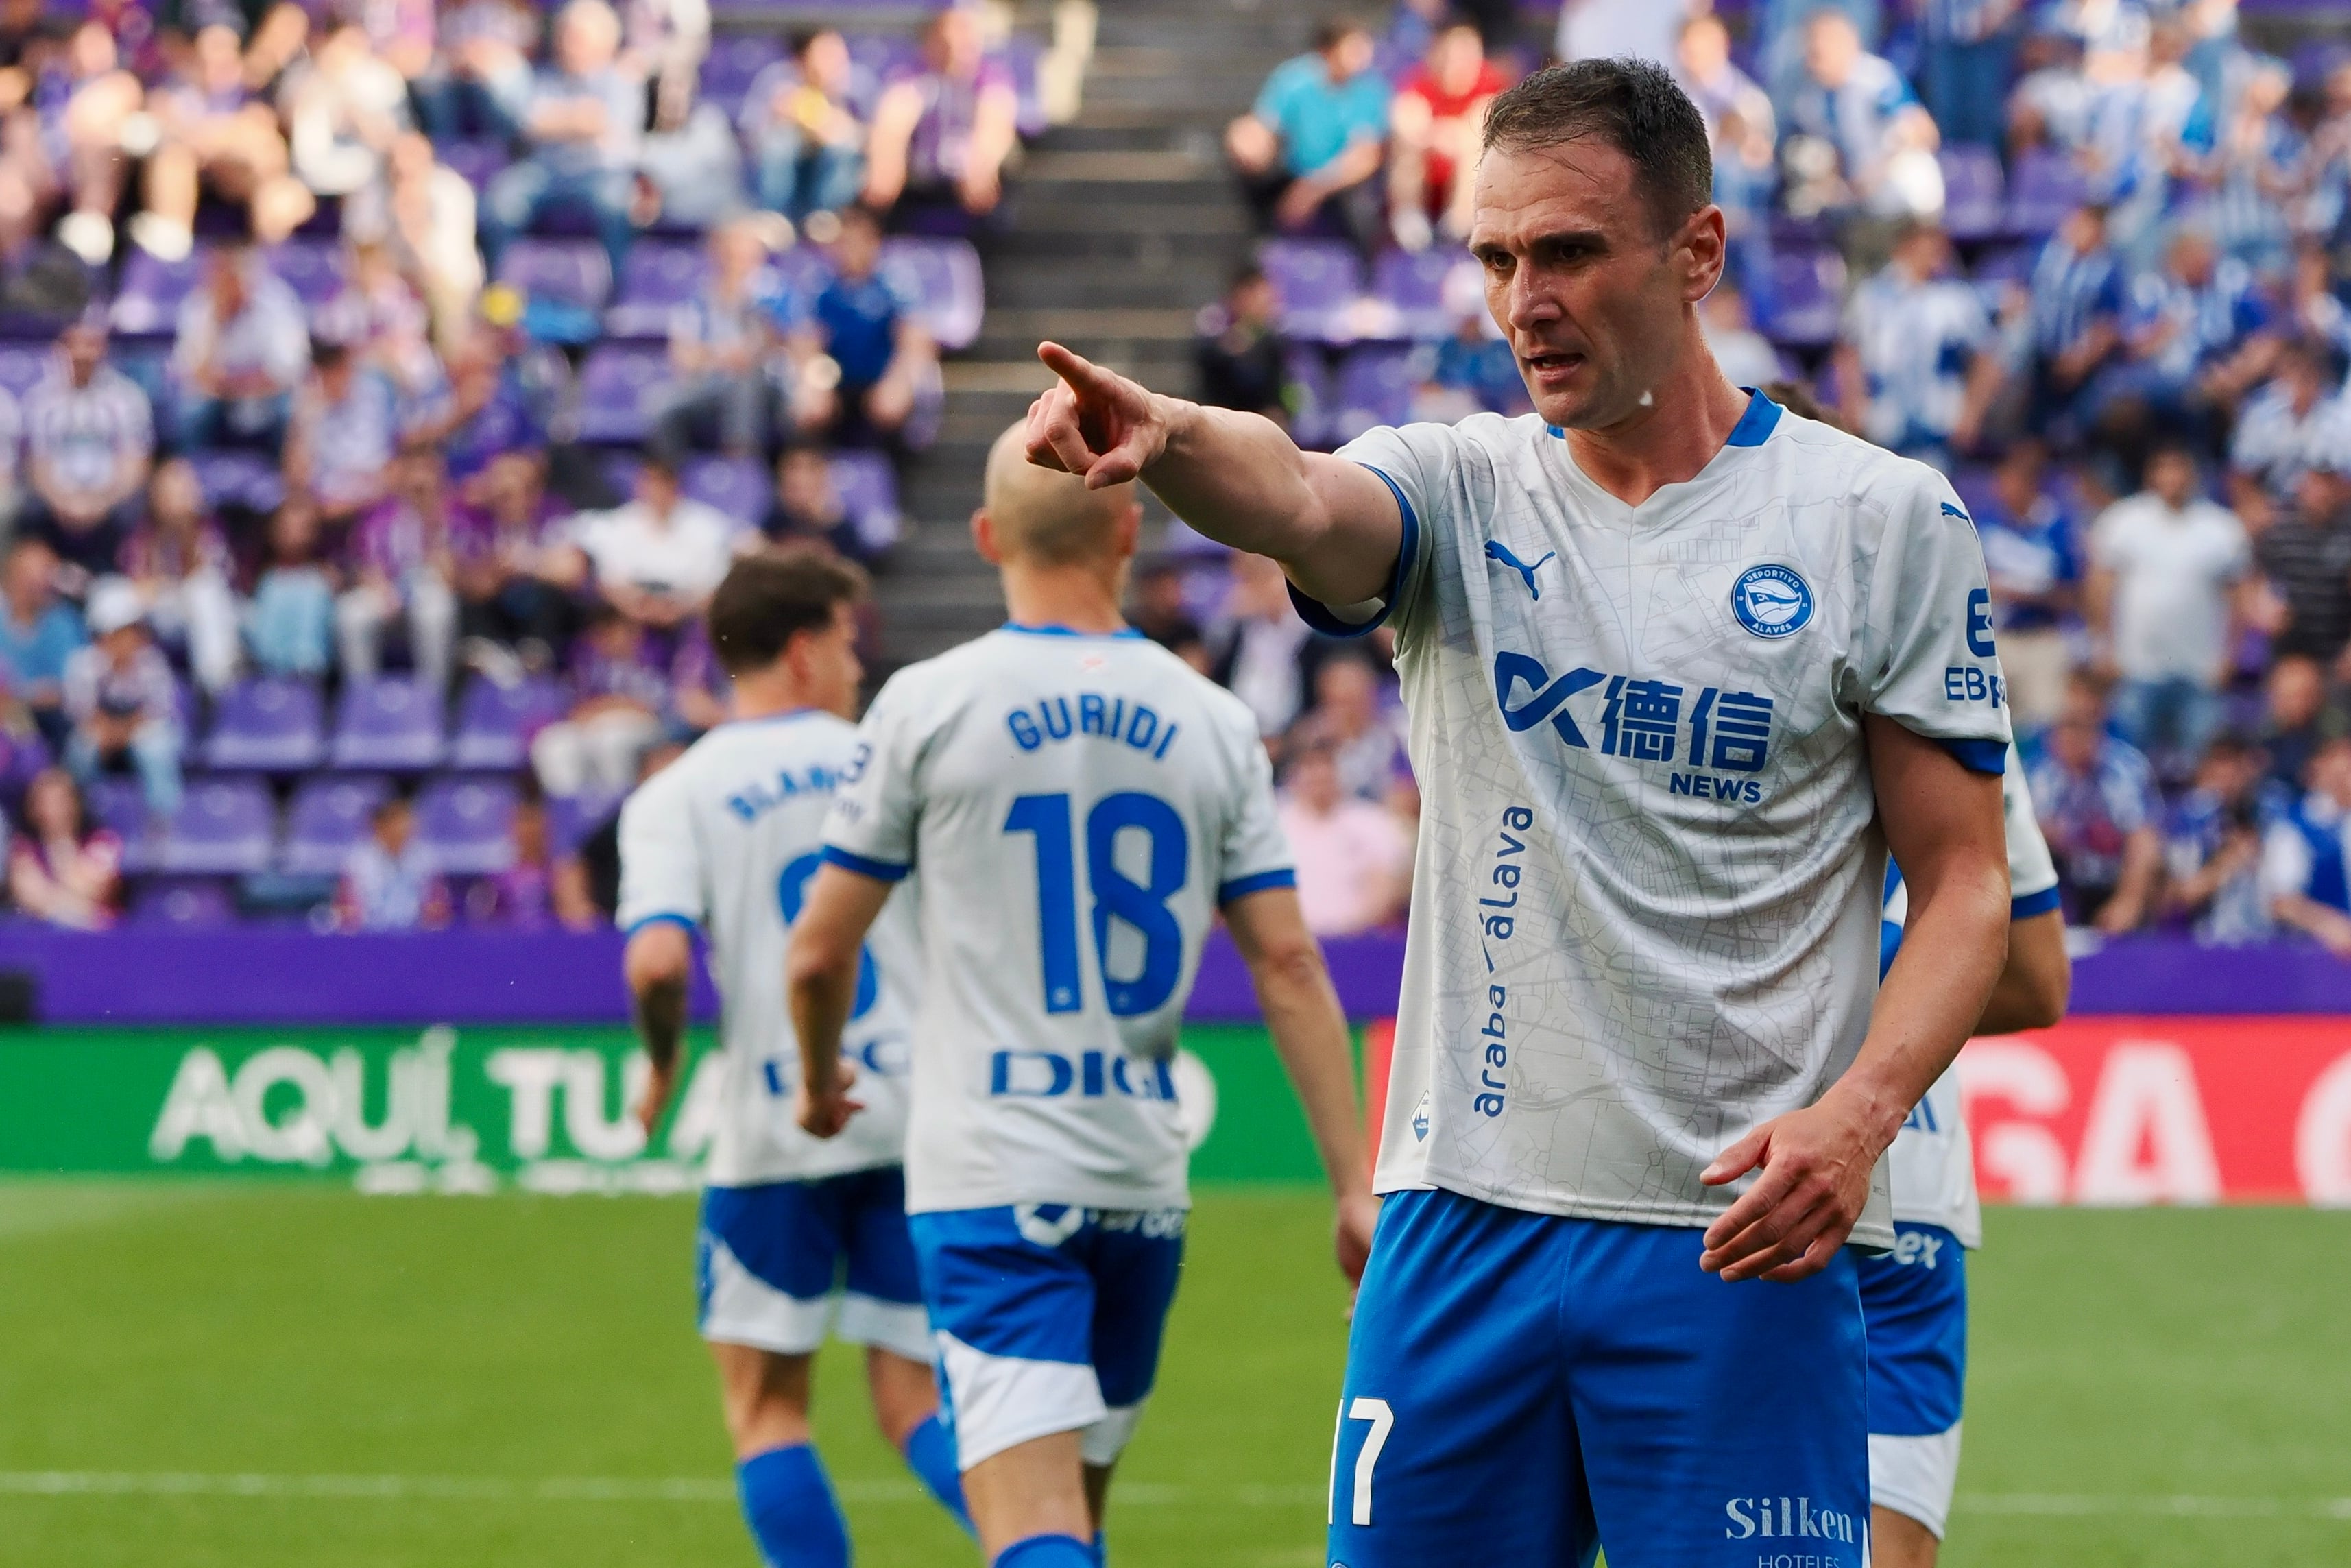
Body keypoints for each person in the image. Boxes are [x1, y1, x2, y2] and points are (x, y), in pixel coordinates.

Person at [1017, 58, 2012, 1565]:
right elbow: (1294, 492)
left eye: (1564, 252)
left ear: (1696, 253)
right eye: (1492, 256)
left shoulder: (1880, 521)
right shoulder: (1462, 488)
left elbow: (1965, 888)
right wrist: (1172, 435)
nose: (1518, 300)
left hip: (1733, 1243)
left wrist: (1859, 1116)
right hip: (1458, 1229)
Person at [786, 424, 1375, 1568]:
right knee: (1076, 1524)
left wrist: (817, 1084)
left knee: (1033, 1534)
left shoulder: (926, 704)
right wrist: (1351, 1181)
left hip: (992, 1177)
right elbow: (1287, 963)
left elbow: (816, 952)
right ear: (1125, 529)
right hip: (1139, 1183)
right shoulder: (1212, 722)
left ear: (983, 537)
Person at [618, 548, 970, 1568]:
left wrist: (661, 1063)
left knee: (767, 1406)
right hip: (910, 1118)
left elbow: (653, 964)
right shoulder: (887, 759)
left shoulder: (676, 794)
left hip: (775, 1126)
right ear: (807, 649)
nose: (859, 665)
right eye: (851, 642)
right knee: (914, 1400)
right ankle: (1052, 1550)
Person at [1866, 732, 2069, 1567]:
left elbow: (2036, 981)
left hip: (1705, 1160)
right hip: (1901, 1161)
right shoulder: (1958, 684)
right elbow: (2034, 978)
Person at [2086, 444, 2249, 773]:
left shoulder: (2221, 527)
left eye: (2179, 468)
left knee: (2200, 767)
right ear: (2151, 474)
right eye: (2164, 467)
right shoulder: (2123, 521)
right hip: (2135, 665)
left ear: (2193, 475)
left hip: (2200, 668)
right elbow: (2099, 586)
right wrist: (2103, 644)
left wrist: (2230, 655)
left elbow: (2239, 597)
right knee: (2129, 763)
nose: (2172, 477)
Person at [479, 0, 641, 278]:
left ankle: (617, 293)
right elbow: (528, 122)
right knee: (500, 203)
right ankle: (498, 290)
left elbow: (602, 123)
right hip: (545, 172)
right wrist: (578, 119)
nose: (567, 44)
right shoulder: (543, 78)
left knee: (617, 204)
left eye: (577, 38)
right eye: (564, 35)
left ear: (604, 44)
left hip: (599, 174)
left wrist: (556, 120)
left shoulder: (619, 81)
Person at [1834, 219, 2001, 464]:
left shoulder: (1955, 299)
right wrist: (1852, 401)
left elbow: (1988, 357)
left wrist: (1971, 414)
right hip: (1884, 425)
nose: (1933, 258)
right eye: (1926, 249)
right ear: (1904, 250)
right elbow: (1849, 352)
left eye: (1938, 251)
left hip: (1938, 427)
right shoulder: (1872, 297)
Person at [1225, 19, 1391, 247]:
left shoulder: (1371, 90)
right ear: (1329, 51)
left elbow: (1366, 157)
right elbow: (1263, 124)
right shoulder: (1295, 80)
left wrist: (1312, 189)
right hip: (1294, 171)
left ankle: (1365, 271)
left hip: (1343, 185)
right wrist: (1248, 141)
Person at [19, 317, 153, 582]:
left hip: (109, 503)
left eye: (90, 345)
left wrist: (100, 502)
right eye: (74, 345)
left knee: (134, 508)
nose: (82, 354)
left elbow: (135, 465)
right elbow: (37, 465)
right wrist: (64, 502)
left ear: (103, 349)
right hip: (55, 504)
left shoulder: (128, 398)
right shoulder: (40, 401)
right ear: (61, 349)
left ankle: (119, 584)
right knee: (27, 508)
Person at [2026, 677, 2163, 931]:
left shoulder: (2124, 768)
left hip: (2118, 876)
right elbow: (2029, 836)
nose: (2072, 738)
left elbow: (2143, 841)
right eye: (2065, 728)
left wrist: (2128, 901)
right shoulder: (2041, 772)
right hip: (2070, 879)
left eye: (2082, 729)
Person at [861, 5, 1018, 221]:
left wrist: (980, 166)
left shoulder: (990, 78)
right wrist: (886, 162)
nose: (954, 49)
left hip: (970, 183)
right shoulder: (910, 77)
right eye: (945, 41)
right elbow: (892, 122)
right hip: (918, 183)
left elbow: (994, 124)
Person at [795, 205, 935, 447]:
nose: (850, 250)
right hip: (838, 381)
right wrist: (815, 384)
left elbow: (915, 342)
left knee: (889, 408)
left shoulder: (895, 286)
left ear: (874, 243)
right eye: (844, 242)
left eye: (858, 241)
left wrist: (897, 383)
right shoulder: (823, 288)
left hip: (880, 378)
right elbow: (808, 343)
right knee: (808, 409)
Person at [556, 458, 745, 632]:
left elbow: (712, 588)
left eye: (661, 485)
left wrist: (680, 609)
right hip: (633, 611)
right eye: (649, 484)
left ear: (675, 487)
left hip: (687, 614)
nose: (655, 493)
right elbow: (608, 582)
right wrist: (635, 606)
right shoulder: (622, 523)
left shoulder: (707, 525)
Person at [651, 217, 784, 463]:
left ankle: (740, 466)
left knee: (745, 382)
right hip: (710, 387)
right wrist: (721, 357)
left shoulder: (774, 293)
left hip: (768, 388)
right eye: (732, 251)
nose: (738, 259)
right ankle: (667, 481)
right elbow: (683, 358)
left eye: (745, 251)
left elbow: (791, 341)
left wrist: (750, 352)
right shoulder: (698, 300)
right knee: (662, 404)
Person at [1974, 443, 2081, 734]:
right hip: (1998, 639)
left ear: (2030, 484)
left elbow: (2070, 595)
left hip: (2041, 639)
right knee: (1998, 724)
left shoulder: (2056, 526)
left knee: (2044, 725)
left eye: (2013, 481)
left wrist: (2021, 593)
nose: (2004, 488)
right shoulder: (1986, 524)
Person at [114, 458, 241, 697]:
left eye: (184, 491)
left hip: (213, 615)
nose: (177, 499)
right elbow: (137, 581)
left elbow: (215, 577)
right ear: (155, 496)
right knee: (109, 595)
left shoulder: (210, 529)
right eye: (169, 491)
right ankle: (111, 680)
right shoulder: (143, 533)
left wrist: (185, 531)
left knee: (204, 592)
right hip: (162, 611)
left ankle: (216, 690)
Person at [338, 450, 460, 692]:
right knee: (351, 613)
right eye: (414, 471)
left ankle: (434, 695)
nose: (420, 480)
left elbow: (451, 577)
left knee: (436, 611)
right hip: (387, 590)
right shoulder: (378, 516)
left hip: (430, 590)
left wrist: (431, 519)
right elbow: (364, 565)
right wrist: (382, 590)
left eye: (427, 472)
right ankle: (361, 695)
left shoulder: (453, 514)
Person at [170, 243, 309, 453]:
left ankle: (284, 482)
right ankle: (194, 477)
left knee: (291, 410)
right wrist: (216, 322)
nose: (227, 283)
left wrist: (233, 385)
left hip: (266, 399)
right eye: (220, 275)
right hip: (221, 404)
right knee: (192, 410)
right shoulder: (199, 306)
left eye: (233, 275)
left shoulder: (277, 301)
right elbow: (195, 377)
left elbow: (287, 374)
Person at [1386, 16, 1508, 252]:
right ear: (1438, 53)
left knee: (1474, 150)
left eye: (1469, 54)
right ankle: (1410, 223)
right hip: (1424, 176)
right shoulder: (1417, 83)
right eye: (1454, 54)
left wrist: (1445, 136)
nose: (1461, 63)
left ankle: (1457, 230)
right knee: (1406, 149)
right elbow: (1405, 123)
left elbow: (1480, 125)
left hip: (1473, 186)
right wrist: (1436, 137)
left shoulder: (1492, 85)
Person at [62, 581, 182, 819]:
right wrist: (107, 732)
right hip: (100, 728)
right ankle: (85, 816)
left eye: (133, 631)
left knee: (156, 749)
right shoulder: (83, 664)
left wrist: (122, 733)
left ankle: (165, 819)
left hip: (142, 728)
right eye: (120, 632)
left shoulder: (152, 662)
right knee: (81, 750)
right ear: (103, 635)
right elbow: (80, 712)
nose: (128, 639)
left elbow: (158, 710)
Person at [1277, 725, 1411, 934]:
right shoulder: (1276, 824)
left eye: (1326, 764)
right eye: (1310, 766)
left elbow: (1385, 887)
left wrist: (1347, 934)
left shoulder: (1371, 821)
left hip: (1357, 944)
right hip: (1291, 941)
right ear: (1294, 773)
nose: (1319, 774)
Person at [743, 27, 868, 226]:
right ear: (802, 57)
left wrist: (838, 127)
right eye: (825, 53)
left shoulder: (858, 85)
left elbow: (872, 138)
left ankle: (827, 220)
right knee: (779, 141)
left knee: (843, 145)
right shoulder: (776, 80)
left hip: (830, 166)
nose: (836, 61)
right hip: (789, 164)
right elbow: (749, 133)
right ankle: (773, 219)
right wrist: (784, 118)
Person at [2162, 733, 2272, 944]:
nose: (2229, 775)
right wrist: (2229, 861)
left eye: (2236, 766)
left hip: (2264, 939)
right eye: (2222, 764)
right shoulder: (2191, 818)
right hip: (2205, 939)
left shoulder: (2272, 813)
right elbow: (2179, 895)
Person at [284, 339, 400, 527]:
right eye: (324, 367)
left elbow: (395, 468)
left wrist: (351, 504)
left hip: (371, 501)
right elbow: (296, 478)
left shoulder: (376, 393)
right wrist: (307, 423)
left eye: (336, 365)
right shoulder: (308, 403)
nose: (332, 375)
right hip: (323, 508)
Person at [2260, 736, 2351, 956]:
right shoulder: (2295, 826)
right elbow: (2281, 902)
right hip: (2318, 956)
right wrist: (2330, 925)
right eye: (2343, 772)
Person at [8, 766, 123, 930]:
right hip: (45, 941)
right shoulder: (23, 848)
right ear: (32, 808)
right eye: (45, 802)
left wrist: (49, 895)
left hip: (103, 941)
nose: (54, 809)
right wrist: (86, 916)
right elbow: (31, 896)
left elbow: (92, 888)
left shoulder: (103, 840)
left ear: (76, 803)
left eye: (61, 800)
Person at [0, 539, 83, 749]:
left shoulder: (65, 622)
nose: (38, 583)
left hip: (49, 723)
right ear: (11, 578)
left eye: (45, 573)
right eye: (29, 576)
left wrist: (16, 695)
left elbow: (67, 688)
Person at [248, 499, 338, 679]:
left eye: (301, 528)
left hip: (308, 679)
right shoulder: (267, 581)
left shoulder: (322, 581)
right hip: (265, 674)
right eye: (287, 528)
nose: (294, 535)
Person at [334, 793, 453, 931]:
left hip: (416, 937)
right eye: (396, 825)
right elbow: (345, 910)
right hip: (369, 937)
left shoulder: (427, 859)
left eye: (407, 826)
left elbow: (439, 907)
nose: (403, 831)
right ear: (381, 827)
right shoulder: (357, 862)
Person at [1192, 265, 1290, 424]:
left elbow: (1277, 395)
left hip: (1262, 425)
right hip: (1220, 420)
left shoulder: (1273, 341)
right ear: (1243, 295)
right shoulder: (1214, 327)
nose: (1269, 304)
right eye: (1263, 297)